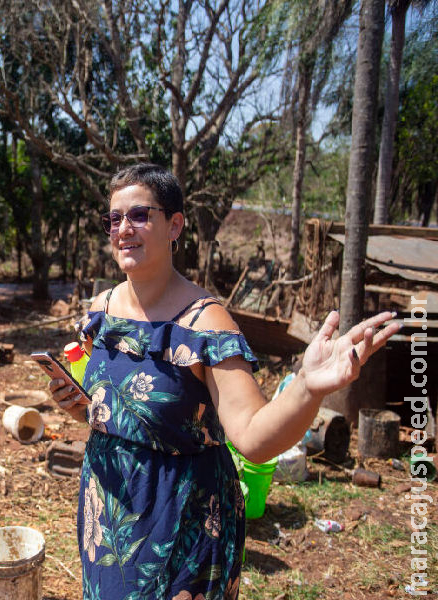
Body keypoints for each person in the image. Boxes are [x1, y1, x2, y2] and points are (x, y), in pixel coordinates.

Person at [48, 163, 401, 600]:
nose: (123, 229)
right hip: (108, 511)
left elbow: (252, 437)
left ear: (174, 224)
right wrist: (78, 405)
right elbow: (119, 412)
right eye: (114, 219)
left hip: (179, 523)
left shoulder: (206, 324)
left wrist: (310, 387)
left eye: (139, 215)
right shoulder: (101, 310)